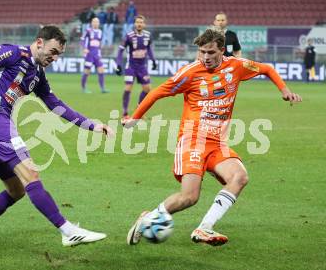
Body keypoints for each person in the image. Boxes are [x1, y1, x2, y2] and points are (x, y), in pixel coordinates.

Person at [0, 26, 114, 253]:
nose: (55, 57)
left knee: (16, 190)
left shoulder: (37, 74)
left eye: (59, 54)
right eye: (53, 51)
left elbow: (56, 105)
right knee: (31, 173)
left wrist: (92, 125)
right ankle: (68, 231)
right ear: (39, 42)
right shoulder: (12, 53)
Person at [123, 29, 302, 246]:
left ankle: (204, 228)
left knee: (239, 177)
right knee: (190, 197)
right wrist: (135, 118)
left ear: (222, 50)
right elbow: (157, 92)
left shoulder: (236, 66)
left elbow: (267, 68)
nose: (205, 57)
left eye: (210, 52)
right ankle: (148, 218)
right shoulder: (190, 73)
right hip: (193, 141)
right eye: (202, 52)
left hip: (217, 143)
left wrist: (284, 90)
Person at [115, 15, 156, 121]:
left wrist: (153, 60)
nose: (139, 24)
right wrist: (118, 64)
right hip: (131, 67)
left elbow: (149, 49)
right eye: (137, 22)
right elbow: (120, 50)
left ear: (144, 24)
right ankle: (125, 113)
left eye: (141, 22)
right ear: (134, 24)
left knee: (147, 89)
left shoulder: (148, 35)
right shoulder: (129, 36)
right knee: (128, 88)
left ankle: (139, 110)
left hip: (142, 67)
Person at [80, 17, 108, 94]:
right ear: (92, 23)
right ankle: (83, 88)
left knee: (101, 70)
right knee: (87, 71)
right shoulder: (88, 31)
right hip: (89, 54)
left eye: (97, 22)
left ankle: (102, 88)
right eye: (94, 22)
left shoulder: (100, 32)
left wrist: (100, 51)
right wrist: (85, 48)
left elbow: (100, 43)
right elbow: (82, 40)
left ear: (99, 23)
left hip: (97, 55)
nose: (95, 23)